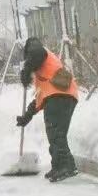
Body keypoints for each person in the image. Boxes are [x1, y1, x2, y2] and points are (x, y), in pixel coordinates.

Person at [16, 37, 80, 182]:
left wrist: (26, 69)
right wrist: (27, 116)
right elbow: (40, 97)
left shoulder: (38, 49)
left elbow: (37, 51)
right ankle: (58, 166)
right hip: (61, 97)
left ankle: (67, 167)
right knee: (54, 133)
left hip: (61, 96)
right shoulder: (43, 73)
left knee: (56, 133)